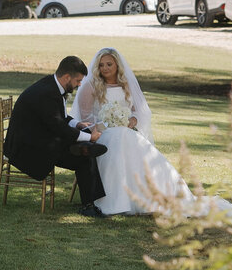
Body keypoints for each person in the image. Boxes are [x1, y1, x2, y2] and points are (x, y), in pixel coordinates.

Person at [71, 47, 193, 217]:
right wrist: (106, 124)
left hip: (126, 131)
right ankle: (114, 200)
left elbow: (137, 111)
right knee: (118, 136)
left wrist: (131, 120)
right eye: (101, 65)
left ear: (117, 65)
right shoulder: (91, 86)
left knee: (126, 138)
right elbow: (86, 119)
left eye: (109, 64)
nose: (105, 68)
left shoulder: (126, 84)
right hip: (100, 134)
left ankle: (153, 196)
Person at [3, 56, 109, 217]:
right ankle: (89, 204)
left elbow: (61, 118)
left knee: (83, 150)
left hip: (41, 139)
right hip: (27, 149)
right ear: (67, 77)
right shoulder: (47, 93)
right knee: (84, 155)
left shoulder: (52, 86)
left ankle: (87, 152)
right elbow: (58, 127)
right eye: (78, 81)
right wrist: (89, 138)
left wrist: (77, 125)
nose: (79, 84)